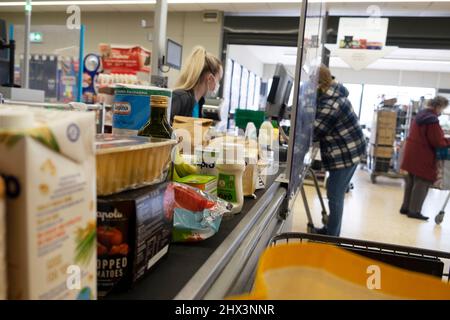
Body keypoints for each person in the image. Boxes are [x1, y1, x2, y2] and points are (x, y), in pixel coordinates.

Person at [313, 65, 366, 236]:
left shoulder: (331, 103)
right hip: (350, 149)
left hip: (346, 153)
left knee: (335, 194)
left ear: (318, 83)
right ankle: (331, 230)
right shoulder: (333, 94)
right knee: (334, 191)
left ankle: (332, 237)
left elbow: (316, 131)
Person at [400, 96, 450, 220]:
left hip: (411, 152)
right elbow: (437, 141)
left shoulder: (420, 115)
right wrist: (448, 141)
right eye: (442, 108)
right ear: (439, 106)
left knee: (410, 181)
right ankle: (414, 211)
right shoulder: (432, 120)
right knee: (422, 182)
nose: (442, 111)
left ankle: (405, 207)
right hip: (423, 154)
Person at [170, 46, 223, 123]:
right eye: (219, 80)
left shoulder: (198, 103)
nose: (218, 84)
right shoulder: (180, 98)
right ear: (210, 79)